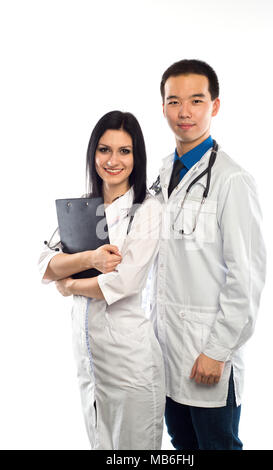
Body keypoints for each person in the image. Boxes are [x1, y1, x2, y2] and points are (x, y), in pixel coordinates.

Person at [149, 59, 266, 450]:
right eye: (174, 101)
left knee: (217, 445)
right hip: (166, 353)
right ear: (162, 106)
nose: (184, 112)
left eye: (196, 100)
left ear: (214, 106)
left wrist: (216, 352)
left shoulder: (232, 180)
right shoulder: (163, 174)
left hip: (208, 355)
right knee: (181, 445)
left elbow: (246, 277)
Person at [38, 111, 165, 450]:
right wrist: (90, 260)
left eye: (125, 151)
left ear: (137, 157)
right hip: (90, 364)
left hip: (130, 365)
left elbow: (124, 283)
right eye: (105, 150)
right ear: (93, 153)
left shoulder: (146, 210)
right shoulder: (82, 207)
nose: (113, 160)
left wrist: (71, 284)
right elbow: (46, 265)